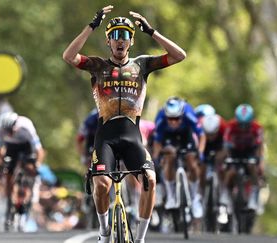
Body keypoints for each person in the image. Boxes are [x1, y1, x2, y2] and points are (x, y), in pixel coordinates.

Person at [62, 5, 186, 243]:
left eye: (125, 35)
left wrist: (152, 32)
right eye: (115, 36)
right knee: (102, 184)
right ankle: (105, 232)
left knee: (150, 180)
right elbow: (68, 56)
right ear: (109, 41)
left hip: (132, 137)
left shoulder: (142, 65)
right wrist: (92, 26)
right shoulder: (98, 66)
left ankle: (139, 239)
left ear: (131, 41)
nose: (121, 40)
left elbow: (180, 55)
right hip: (105, 137)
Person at [152, 97, 205, 219]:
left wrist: (200, 152)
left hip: (186, 135)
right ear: (166, 117)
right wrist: (156, 157)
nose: (173, 122)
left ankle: (194, 197)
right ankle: (171, 196)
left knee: (192, 162)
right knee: (169, 158)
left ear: (182, 115)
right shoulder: (160, 118)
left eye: (176, 119)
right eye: (170, 119)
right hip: (168, 137)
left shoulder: (188, 113)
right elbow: (157, 142)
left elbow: (201, 135)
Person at [0, 111, 45, 231]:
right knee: (8, 171)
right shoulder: (2, 130)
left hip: (26, 147)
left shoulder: (26, 126)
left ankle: (27, 195)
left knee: (30, 169)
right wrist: (2, 161)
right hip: (12, 148)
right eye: (8, 131)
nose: (10, 133)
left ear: (15, 125)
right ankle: (9, 198)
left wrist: (37, 164)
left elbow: (39, 150)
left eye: (11, 130)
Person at [220, 104, 264, 215]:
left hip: (250, 151)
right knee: (231, 171)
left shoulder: (257, 127)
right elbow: (225, 144)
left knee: (252, 167)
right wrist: (227, 159)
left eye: (246, 125)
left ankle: (254, 196)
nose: (243, 128)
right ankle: (225, 193)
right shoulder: (230, 125)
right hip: (235, 150)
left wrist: (260, 161)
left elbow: (259, 146)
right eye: (241, 125)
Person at [200, 113, 229, 223]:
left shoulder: (223, 128)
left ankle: (223, 197)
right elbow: (198, 148)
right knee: (201, 169)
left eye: (213, 134)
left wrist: (220, 157)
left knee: (222, 168)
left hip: (219, 146)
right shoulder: (200, 127)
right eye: (209, 134)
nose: (211, 137)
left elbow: (227, 149)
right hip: (205, 145)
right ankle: (201, 193)